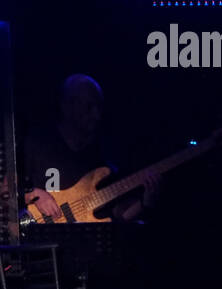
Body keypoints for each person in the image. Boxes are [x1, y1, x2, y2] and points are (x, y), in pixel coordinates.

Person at [22, 74, 158, 222]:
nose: (96, 115)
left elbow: (119, 214)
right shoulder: (36, 144)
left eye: (99, 107)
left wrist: (145, 203)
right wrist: (33, 194)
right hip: (40, 238)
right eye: (89, 106)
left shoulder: (104, 156)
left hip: (87, 242)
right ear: (66, 106)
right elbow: (4, 193)